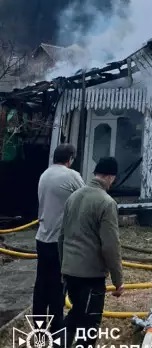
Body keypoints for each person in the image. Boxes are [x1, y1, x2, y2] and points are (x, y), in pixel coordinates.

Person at [59, 157, 124, 347]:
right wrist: (118, 280)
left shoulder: (74, 197)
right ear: (111, 177)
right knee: (89, 322)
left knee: (76, 313)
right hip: (91, 275)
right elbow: (111, 245)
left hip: (70, 271)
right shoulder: (106, 203)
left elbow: (61, 236)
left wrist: (64, 266)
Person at [32, 143, 85, 336]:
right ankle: (56, 329)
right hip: (58, 240)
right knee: (57, 285)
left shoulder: (45, 175)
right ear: (70, 158)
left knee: (41, 284)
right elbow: (86, 198)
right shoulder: (72, 176)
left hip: (42, 237)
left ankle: (38, 329)